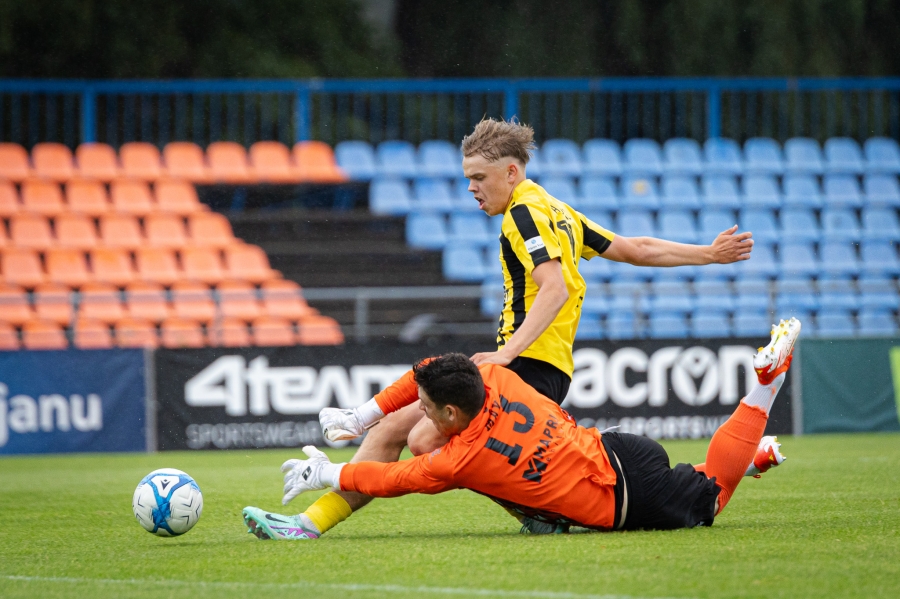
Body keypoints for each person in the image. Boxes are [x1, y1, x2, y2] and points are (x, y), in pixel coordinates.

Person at [287, 118, 755, 539]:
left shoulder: (523, 214)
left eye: (479, 178)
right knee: (406, 433)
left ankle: (313, 521)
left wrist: (507, 354)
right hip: (548, 367)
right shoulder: (556, 209)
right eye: (467, 178)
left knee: (423, 440)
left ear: (511, 172)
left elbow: (554, 287)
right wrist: (708, 254)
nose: (471, 188)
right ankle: (313, 520)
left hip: (527, 365)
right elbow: (636, 249)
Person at [241, 318, 798, 540]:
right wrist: (361, 417)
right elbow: (427, 372)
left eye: (429, 409)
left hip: (622, 497)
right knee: (697, 476)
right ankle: (755, 457)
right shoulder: (492, 375)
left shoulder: (462, 461)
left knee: (713, 496)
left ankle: (766, 386)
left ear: (452, 414)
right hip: (615, 449)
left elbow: (391, 480)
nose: (423, 413)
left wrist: (327, 473)